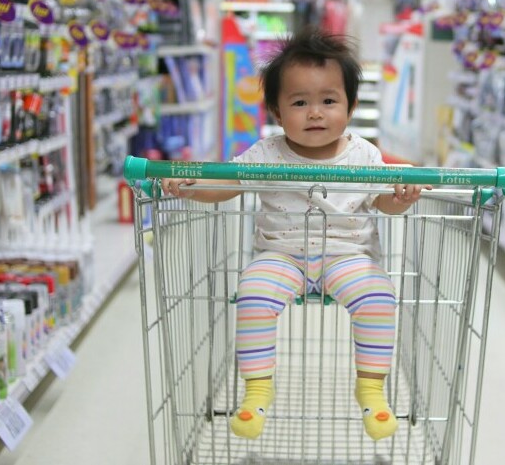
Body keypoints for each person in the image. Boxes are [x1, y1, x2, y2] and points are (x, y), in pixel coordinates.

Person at [162, 28, 429, 441]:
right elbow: (225, 186)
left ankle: (372, 389)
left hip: (348, 255)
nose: (315, 113)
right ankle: (257, 391)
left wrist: (403, 197)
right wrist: (190, 185)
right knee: (252, 292)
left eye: (328, 101)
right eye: (300, 102)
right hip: (280, 256)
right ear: (276, 111)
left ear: (351, 106)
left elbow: (383, 202)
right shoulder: (266, 154)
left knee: (378, 295)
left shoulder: (364, 155)